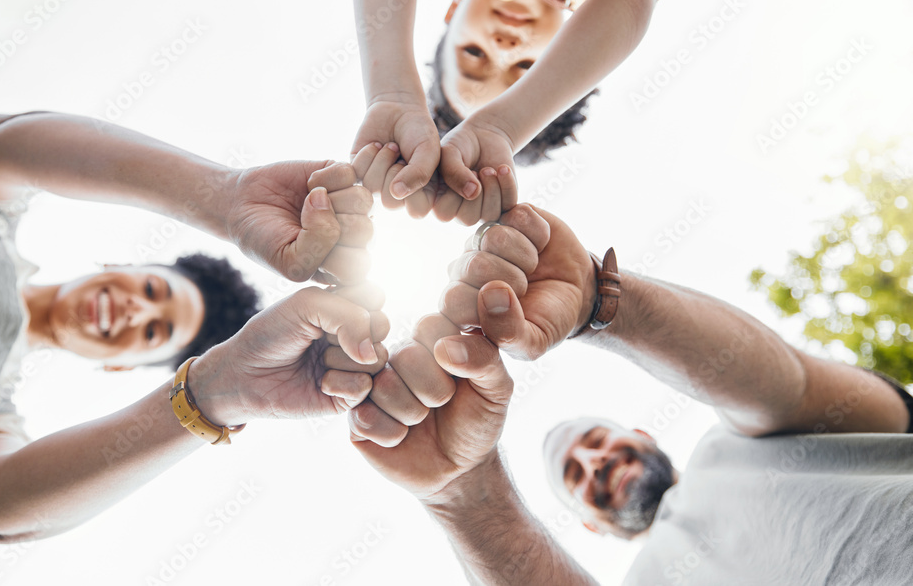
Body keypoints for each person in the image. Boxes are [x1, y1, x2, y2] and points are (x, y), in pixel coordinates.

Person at [350, 204, 913, 585]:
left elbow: (791, 385)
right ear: (591, 525)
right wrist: (463, 490)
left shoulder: (739, 445)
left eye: (595, 442)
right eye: (576, 475)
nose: (595, 462)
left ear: (643, 435)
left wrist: (602, 301)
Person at [0, 112, 387, 546]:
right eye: (152, 290)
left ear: (120, 365)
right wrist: (227, 196)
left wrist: (214, 394)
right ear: (118, 265)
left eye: (152, 333)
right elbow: (1, 143)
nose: (133, 312)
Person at [350, 0, 688, 224]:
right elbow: (633, 2)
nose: (503, 48)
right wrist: (505, 126)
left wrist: (390, 90)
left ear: (452, 13)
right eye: (526, 67)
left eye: (474, 53)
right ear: (568, 51)